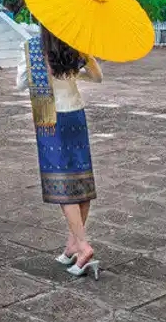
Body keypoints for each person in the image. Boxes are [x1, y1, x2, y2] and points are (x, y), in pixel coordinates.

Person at [16, 24, 102, 278]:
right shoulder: (75, 46)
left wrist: (39, 68)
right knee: (80, 178)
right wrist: (78, 67)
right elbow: (97, 77)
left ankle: (83, 246)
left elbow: (20, 83)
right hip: (75, 114)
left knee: (63, 184)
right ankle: (72, 243)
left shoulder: (33, 48)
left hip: (51, 118)